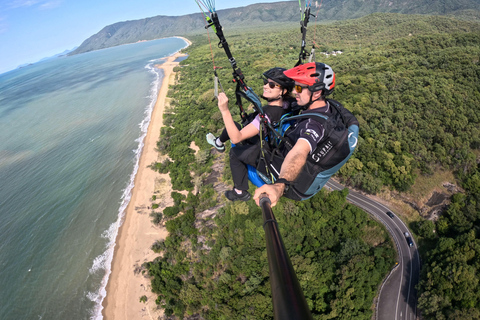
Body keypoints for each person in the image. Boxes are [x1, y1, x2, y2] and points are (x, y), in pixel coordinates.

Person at [253, 62, 345, 207]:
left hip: (291, 178)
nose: (295, 92)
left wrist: (279, 186)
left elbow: (300, 151)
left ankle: (239, 190)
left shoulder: (313, 125)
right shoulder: (323, 107)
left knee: (242, 153)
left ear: (317, 92)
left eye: (298, 88)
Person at [206, 67, 294, 201]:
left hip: (264, 151)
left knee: (234, 152)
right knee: (234, 126)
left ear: (283, 91)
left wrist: (224, 110)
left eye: (271, 85)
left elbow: (236, 138)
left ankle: (240, 191)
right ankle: (218, 142)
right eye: (265, 82)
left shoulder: (267, 114)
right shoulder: (290, 105)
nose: (265, 86)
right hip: (271, 139)